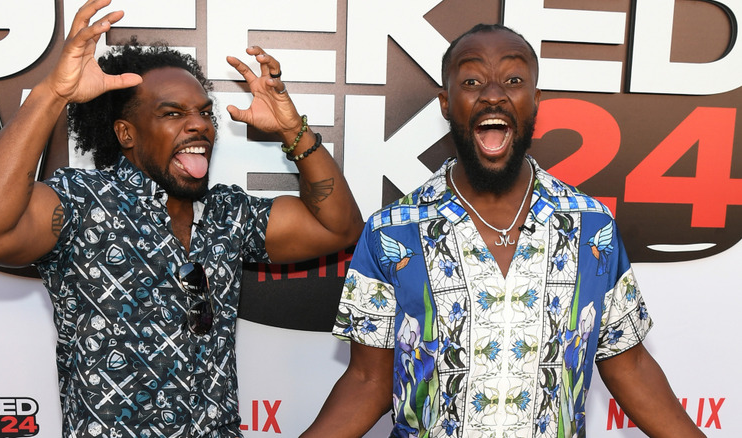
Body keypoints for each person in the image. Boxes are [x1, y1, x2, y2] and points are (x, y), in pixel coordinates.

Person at [0, 0, 362, 437]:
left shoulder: (229, 213)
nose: (200, 126)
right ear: (126, 134)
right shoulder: (82, 202)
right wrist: (52, 94)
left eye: (204, 113)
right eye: (172, 113)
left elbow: (337, 227)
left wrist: (292, 128)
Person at [301, 23, 705, 438]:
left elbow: (631, 366)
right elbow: (368, 381)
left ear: (535, 102)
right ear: (446, 103)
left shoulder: (590, 224)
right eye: (472, 80)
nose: (493, 93)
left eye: (513, 80)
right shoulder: (392, 230)